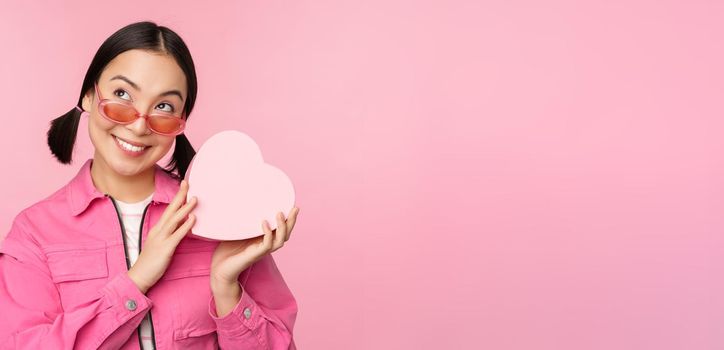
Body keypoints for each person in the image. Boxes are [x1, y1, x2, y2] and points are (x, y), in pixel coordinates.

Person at [0, 21, 300, 349]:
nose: (140, 124)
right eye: (121, 95)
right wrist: (137, 280)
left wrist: (226, 287)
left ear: (180, 121)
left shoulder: (221, 217)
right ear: (88, 96)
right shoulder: (34, 234)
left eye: (163, 107)